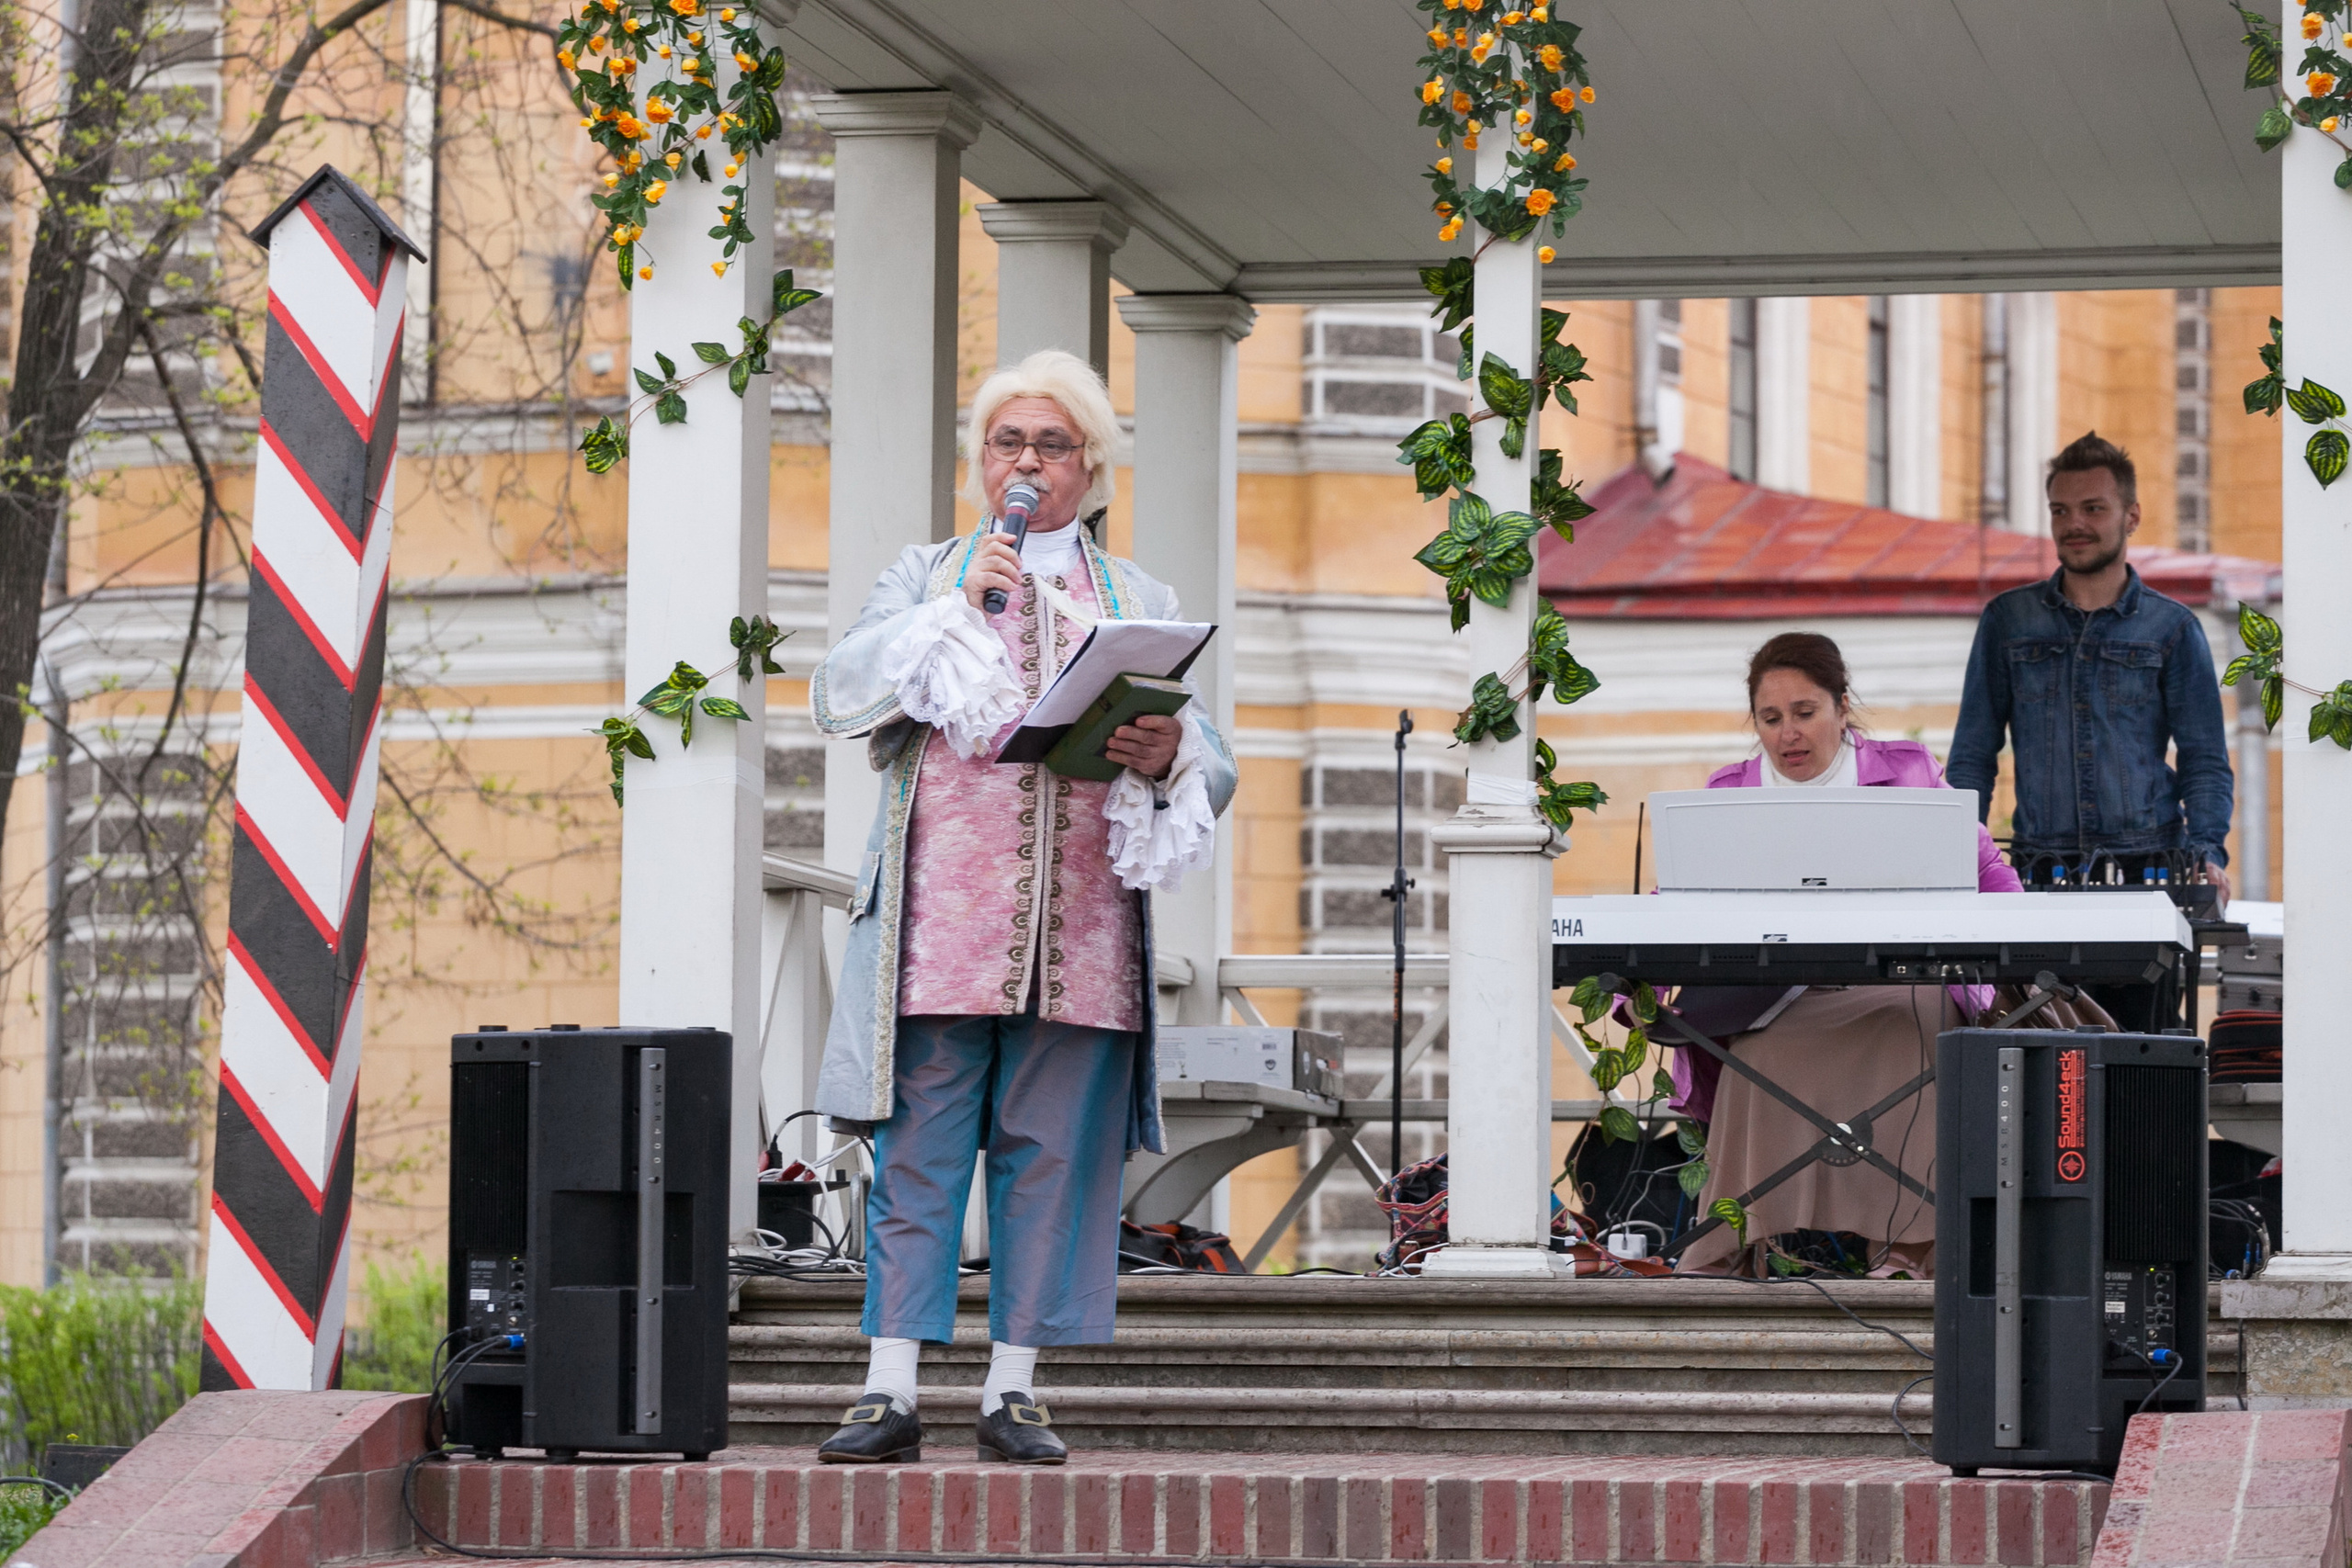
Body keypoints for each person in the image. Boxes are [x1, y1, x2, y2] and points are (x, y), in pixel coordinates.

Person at [806, 350, 1237, 1464]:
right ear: (979, 460)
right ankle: (888, 1385)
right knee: (921, 1148)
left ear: (1089, 467)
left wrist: (1166, 751)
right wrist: (953, 610)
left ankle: (1013, 1389)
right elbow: (839, 690)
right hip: (939, 920)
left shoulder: (1138, 597)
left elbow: (1215, 762)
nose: (1027, 463)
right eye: (1008, 443)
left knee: (1052, 1153)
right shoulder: (928, 572)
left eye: (1051, 445)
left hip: (1080, 927)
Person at [1671, 632, 2022, 1277]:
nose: (1788, 735)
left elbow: (1991, 875)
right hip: (1777, 996)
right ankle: (1735, 1241)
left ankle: (1909, 1245)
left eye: (1805, 713)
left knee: (1918, 1018)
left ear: (1841, 706)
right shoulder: (1728, 791)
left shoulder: (1909, 769)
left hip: (1899, 986)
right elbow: (1679, 909)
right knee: (1751, 1049)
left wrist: (2006, 954)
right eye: (1770, 719)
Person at [1947, 433, 2235, 910]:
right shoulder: (2009, 620)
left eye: (2093, 509)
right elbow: (1972, 756)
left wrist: (2207, 852)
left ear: (2132, 516)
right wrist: (1957, 855)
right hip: (2039, 872)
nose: (2074, 523)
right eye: (2060, 511)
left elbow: (2204, 759)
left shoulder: (2173, 628)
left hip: (2152, 872)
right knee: (2043, 989)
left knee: (2139, 988)